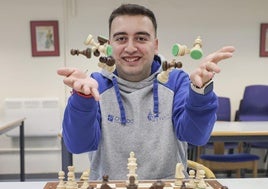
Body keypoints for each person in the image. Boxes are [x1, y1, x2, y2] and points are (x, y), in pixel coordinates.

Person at [57, 3, 235, 180]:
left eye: (141, 38)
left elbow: (196, 136)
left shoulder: (176, 81)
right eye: (121, 39)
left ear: (155, 45)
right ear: (109, 45)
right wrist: (82, 99)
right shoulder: (95, 86)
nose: (131, 48)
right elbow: (77, 145)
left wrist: (200, 92)